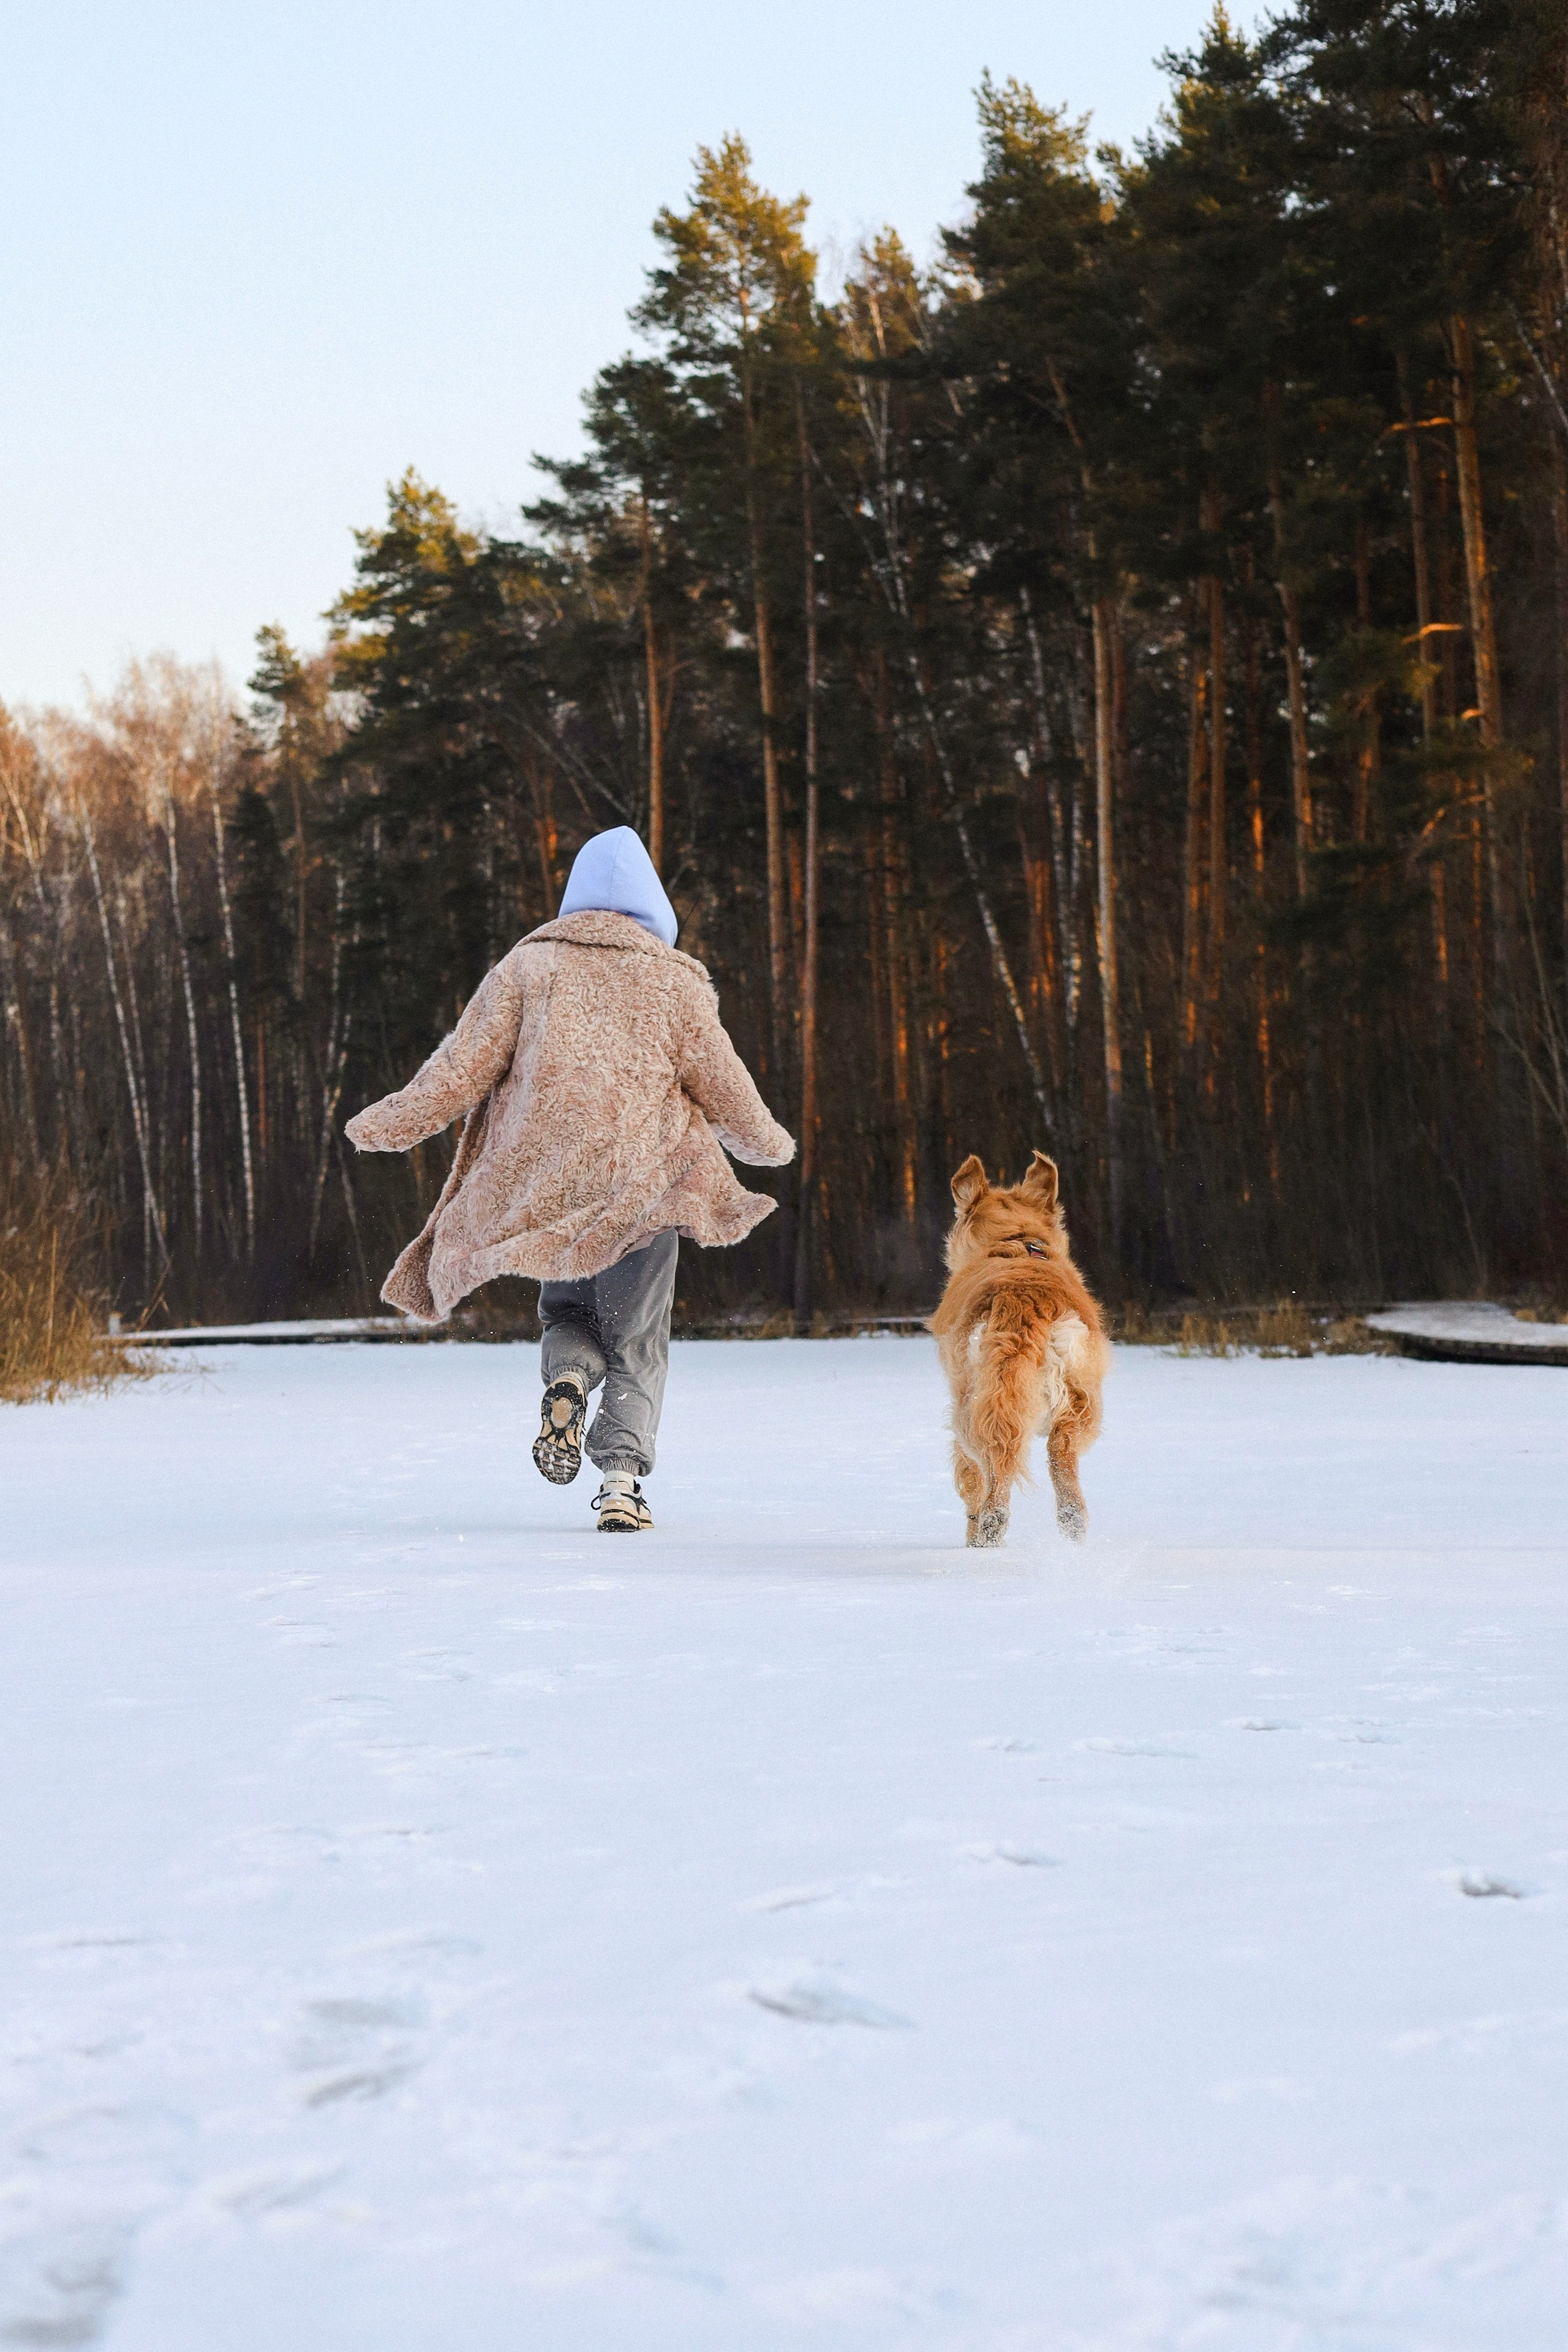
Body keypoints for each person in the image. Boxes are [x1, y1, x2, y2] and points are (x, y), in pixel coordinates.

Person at [345, 827, 794, 1531]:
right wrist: (768, 1145)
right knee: (637, 1340)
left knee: (569, 1317)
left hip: (548, 1196)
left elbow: (458, 1070)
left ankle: (567, 1382)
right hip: (644, 1196)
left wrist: (388, 1123)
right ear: (654, 909)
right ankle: (620, 1484)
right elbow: (727, 1092)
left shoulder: (527, 970)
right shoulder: (675, 982)